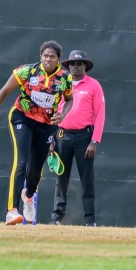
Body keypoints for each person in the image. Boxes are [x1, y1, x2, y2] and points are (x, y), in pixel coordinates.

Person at [0, 40, 73, 225]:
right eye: (45, 56)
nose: (48, 59)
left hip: (46, 125)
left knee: (36, 169)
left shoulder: (65, 77)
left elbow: (69, 100)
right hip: (22, 117)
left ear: (58, 59)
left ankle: (29, 196)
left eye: (52, 57)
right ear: (40, 56)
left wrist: (62, 114)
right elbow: (4, 91)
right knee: (21, 162)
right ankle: (12, 211)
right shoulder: (26, 71)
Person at [51, 50, 105, 226]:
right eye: (72, 64)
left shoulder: (93, 85)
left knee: (86, 179)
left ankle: (90, 220)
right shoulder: (60, 83)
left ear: (85, 66)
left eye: (79, 63)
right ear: (68, 66)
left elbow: (100, 114)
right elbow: (51, 111)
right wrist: (50, 138)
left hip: (85, 136)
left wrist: (94, 141)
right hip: (62, 135)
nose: (75, 67)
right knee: (61, 178)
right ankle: (56, 218)